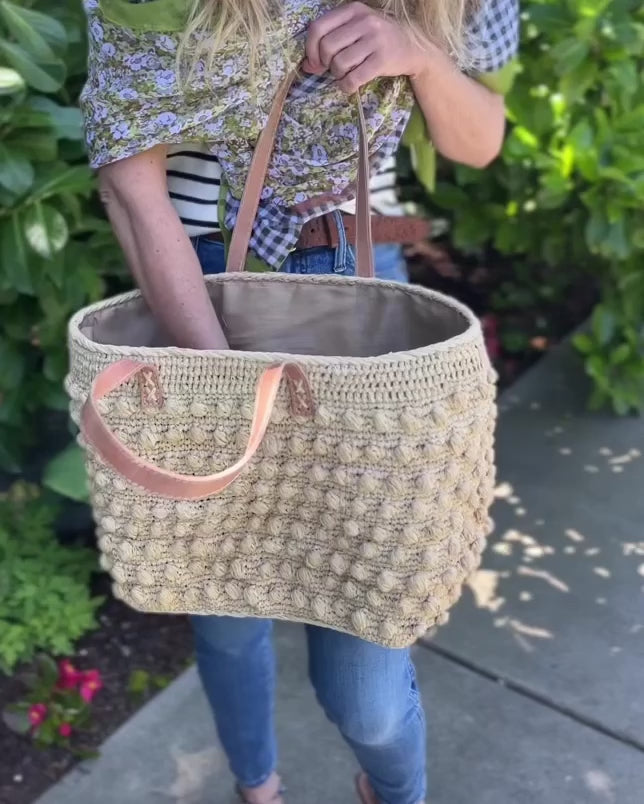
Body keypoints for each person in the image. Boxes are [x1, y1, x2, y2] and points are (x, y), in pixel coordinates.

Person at [82, 0, 519, 800]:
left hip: (353, 289)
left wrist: (421, 54)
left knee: (370, 691)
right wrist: (220, 389)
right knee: (224, 612)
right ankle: (258, 788)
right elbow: (131, 183)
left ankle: (395, 791)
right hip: (197, 297)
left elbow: (480, 140)